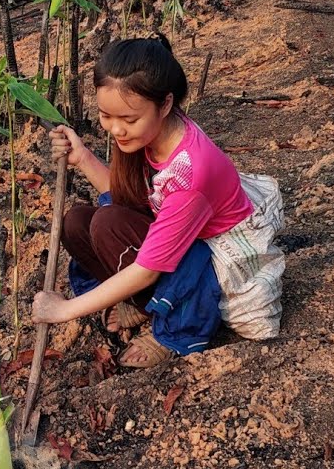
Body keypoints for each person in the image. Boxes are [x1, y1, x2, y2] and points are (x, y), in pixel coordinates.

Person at [30, 35, 286, 368]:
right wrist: (82, 158)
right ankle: (140, 304)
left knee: (108, 225)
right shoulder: (147, 136)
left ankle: (174, 328)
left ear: (165, 105)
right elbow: (129, 196)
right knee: (77, 223)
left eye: (129, 120)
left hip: (209, 259)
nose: (117, 130)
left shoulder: (191, 173)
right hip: (175, 236)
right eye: (107, 116)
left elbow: (147, 270)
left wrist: (64, 310)